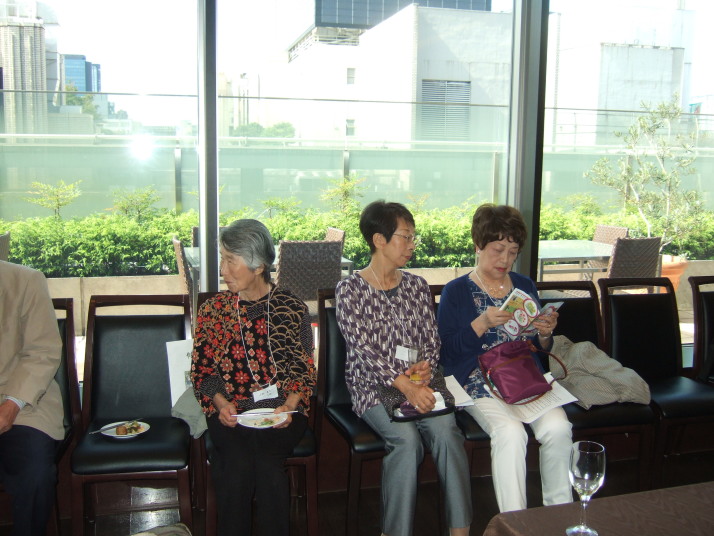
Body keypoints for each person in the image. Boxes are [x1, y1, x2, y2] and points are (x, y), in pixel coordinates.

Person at [336, 201, 472, 536]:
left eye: (413, 237)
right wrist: (404, 383)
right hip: (373, 387)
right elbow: (362, 349)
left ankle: (461, 530)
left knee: (447, 433)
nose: (412, 245)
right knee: (406, 441)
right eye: (405, 237)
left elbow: (431, 339)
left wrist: (424, 370)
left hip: (420, 382)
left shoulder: (417, 285)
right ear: (379, 240)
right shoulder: (350, 290)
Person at [437, 203, 572, 513]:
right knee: (510, 434)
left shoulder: (524, 285)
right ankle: (515, 523)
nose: (505, 260)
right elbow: (446, 352)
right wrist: (481, 323)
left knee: (559, 428)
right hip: (478, 380)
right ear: (478, 245)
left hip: (524, 378)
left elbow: (537, 345)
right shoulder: (456, 291)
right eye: (498, 250)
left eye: (512, 252)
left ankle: (558, 514)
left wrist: (545, 333)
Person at [190, 219, 316, 536]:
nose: (223, 270)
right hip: (230, 410)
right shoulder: (213, 310)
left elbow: (303, 368)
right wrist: (221, 404)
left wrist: (289, 406)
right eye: (222, 259)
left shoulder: (292, 308)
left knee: (268, 465)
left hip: (282, 409)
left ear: (258, 266)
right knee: (236, 465)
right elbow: (202, 370)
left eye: (230, 261)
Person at [0, 260, 64, 536]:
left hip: (22, 402)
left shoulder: (24, 280)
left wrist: (10, 406)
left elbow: (42, 351)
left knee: (35, 472)